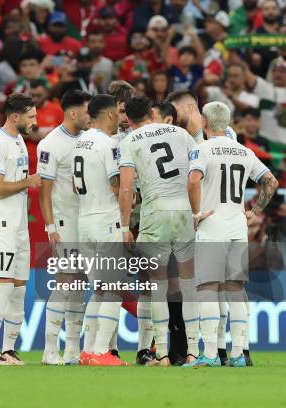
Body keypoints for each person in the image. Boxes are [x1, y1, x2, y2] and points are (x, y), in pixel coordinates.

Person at [186, 101, 278, 367]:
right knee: (235, 290)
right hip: (238, 227)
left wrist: (195, 213)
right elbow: (270, 181)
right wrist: (254, 211)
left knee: (207, 289)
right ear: (227, 122)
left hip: (212, 225)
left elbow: (193, 180)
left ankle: (211, 354)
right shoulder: (244, 151)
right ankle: (238, 354)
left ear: (204, 122)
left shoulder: (201, 149)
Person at [118, 95, 199, 366]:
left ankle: (161, 353)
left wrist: (124, 226)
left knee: (156, 284)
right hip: (184, 211)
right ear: (152, 113)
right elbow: (196, 175)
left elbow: (126, 188)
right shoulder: (181, 133)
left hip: (155, 213)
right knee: (188, 285)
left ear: (128, 119)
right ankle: (194, 352)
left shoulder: (129, 141)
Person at [0, 93, 40, 365]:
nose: (35, 122)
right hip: (0, 224)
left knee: (18, 290)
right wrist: (28, 182)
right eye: (31, 116)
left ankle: (8, 350)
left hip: (18, 226)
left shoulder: (20, 142)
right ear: (15, 117)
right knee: (3, 286)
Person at [37, 90, 92, 366]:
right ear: (73, 113)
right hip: (63, 221)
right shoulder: (50, 144)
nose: (89, 116)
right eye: (86, 110)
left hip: (85, 220)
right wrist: (50, 226)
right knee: (65, 281)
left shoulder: (89, 140)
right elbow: (43, 191)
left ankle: (72, 349)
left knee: (80, 285)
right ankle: (49, 349)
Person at [73, 94, 125, 366]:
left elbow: (73, 185)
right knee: (114, 288)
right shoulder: (108, 144)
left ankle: (89, 350)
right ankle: (102, 351)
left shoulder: (78, 142)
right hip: (105, 218)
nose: (120, 117)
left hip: (84, 219)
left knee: (99, 289)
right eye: (118, 112)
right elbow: (116, 185)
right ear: (109, 115)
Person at [27, 79, 63, 173]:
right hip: (27, 163)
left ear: (46, 93)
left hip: (50, 163)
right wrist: (30, 135)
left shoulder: (57, 110)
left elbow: (67, 134)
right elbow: (12, 133)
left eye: (39, 96)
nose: (35, 99)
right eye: (32, 95)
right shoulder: (22, 111)